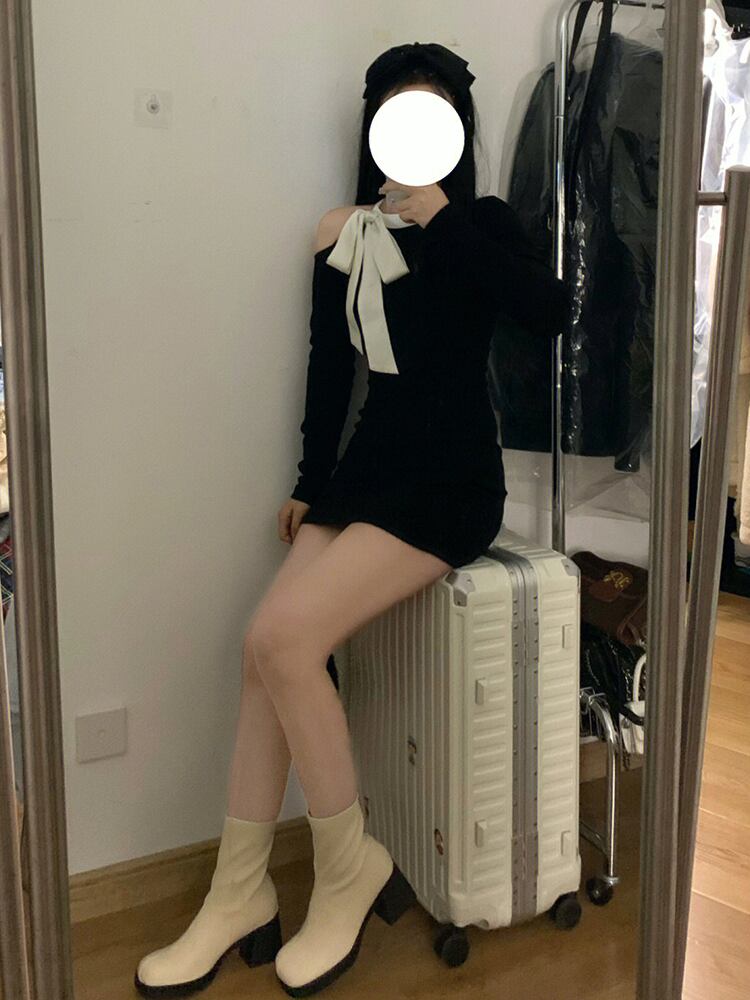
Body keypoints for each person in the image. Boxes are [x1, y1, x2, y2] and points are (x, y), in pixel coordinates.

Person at [135, 42, 568, 999]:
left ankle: (347, 870)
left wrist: (441, 218)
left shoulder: (482, 223)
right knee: (263, 649)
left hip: (449, 480)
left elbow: (549, 310)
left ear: (457, 130)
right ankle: (239, 893)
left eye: (431, 115)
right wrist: (309, 481)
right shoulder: (346, 232)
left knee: (284, 642)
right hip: (367, 472)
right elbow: (331, 367)